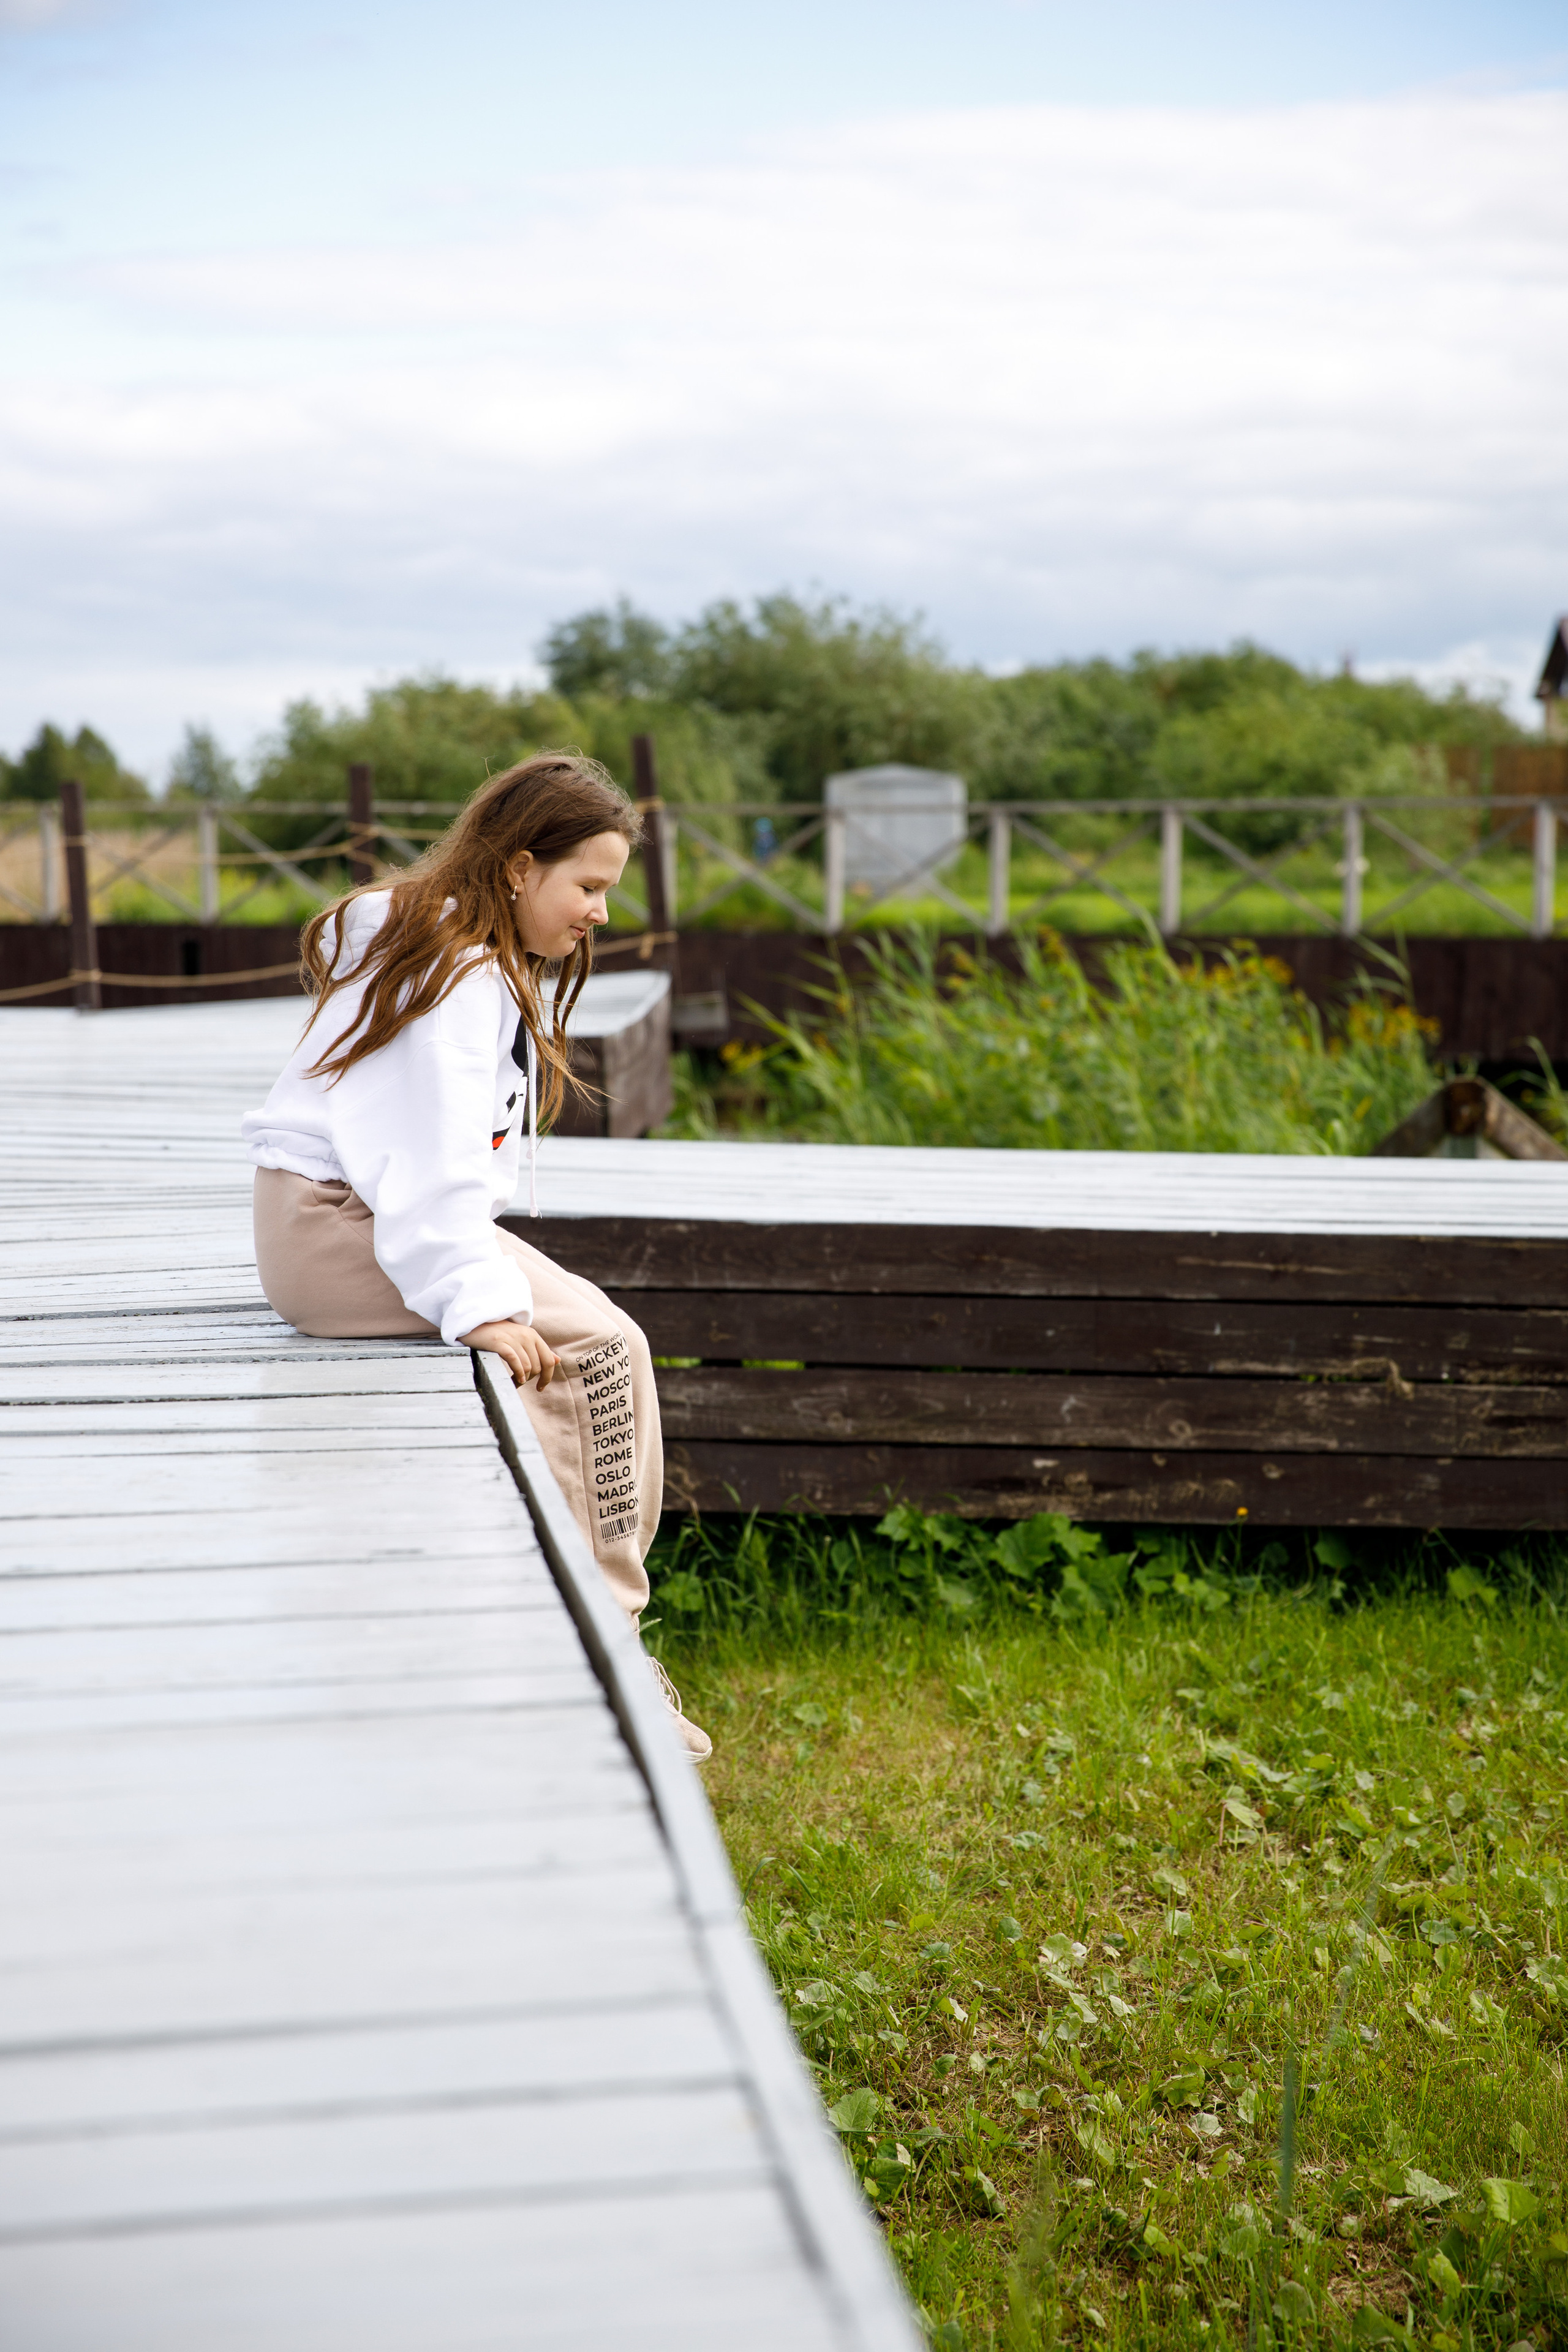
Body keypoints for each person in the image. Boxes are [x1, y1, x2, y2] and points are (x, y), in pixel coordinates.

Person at [241, 752, 711, 1760]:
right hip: (338, 1228)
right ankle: (607, 1641)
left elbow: (426, 1162)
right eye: (586, 887)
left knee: (606, 1343)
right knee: (594, 1353)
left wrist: (481, 1279)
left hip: (337, 1217)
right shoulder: (457, 975)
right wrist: (474, 1300)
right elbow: (426, 1162)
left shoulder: (451, 946)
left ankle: (576, 1615)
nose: (599, 913)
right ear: (516, 868)